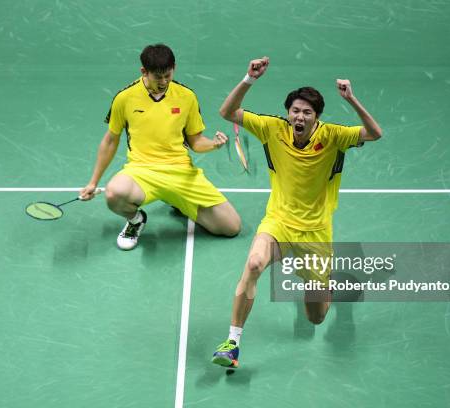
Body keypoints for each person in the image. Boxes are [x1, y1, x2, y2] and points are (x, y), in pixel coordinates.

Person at [211, 57, 382, 368]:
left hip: (315, 232)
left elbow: (374, 133)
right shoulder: (272, 128)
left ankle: (325, 284)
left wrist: (351, 99)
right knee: (253, 263)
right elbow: (226, 112)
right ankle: (232, 343)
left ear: (316, 117)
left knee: (315, 318)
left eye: (307, 112)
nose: (299, 116)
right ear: (288, 113)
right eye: (295, 110)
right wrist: (249, 79)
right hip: (278, 222)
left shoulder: (332, 136)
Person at [80, 44, 241, 250]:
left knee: (231, 227)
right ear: (144, 72)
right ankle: (136, 220)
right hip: (142, 171)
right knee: (113, 194)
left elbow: (195, 142)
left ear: (174, 68)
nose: (164, 82)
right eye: (158, 77)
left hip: (181, 172)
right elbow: (110, 140)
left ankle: (181, 203)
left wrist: (213, 144)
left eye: (168, 75)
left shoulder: (186, 96)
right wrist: (93, 182)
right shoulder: (125, 98)